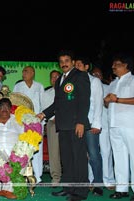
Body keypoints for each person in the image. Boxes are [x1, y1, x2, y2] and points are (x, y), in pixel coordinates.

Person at [37, 50, 90, 201]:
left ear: (72, 62)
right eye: (61, 61)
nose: (64, 63)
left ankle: (80, 192)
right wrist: (43, 114)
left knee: (78, 159)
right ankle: (68, 188)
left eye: (67, 60)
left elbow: (84, 100)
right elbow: (57, 103)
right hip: (63, 125)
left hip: (75, 125)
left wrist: (81, 121)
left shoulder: (80, 75)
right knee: (66, 159)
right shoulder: (61, 78)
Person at [104, 53, 134, 201]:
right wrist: (107, 100)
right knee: (119, 157)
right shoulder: (113, 83)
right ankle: (121, 188)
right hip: (114, 124)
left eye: (116, 64)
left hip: (131, 125)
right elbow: (107, 102)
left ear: (126, 65)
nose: (113, 67)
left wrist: (117, 99)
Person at [75, 57, 104, 196]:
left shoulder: (94, 81)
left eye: (79, 65)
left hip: (91, 123)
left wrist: (97, 124)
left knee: (93, 155)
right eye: (75, 65)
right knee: (80, 156)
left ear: (87, 66)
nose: (76, 67)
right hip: (76, 124)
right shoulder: (74, 81)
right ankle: (84, 183)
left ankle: (98, 184)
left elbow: (98, 103)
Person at [13, 66, 45, 183]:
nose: (23, 73)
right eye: (23, 71)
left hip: (37, 122)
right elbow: (15, 104)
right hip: (22, 123)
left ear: (33, 73)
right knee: (23, 148)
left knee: (37, 149)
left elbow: (43, 105)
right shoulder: (18, 86)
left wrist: (42, 120)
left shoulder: (39, 86)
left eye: (26, 71)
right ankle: (23, 174)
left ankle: (38, 175)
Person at [91, 66, 116, 190]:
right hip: (91, 125)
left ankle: (109, 180)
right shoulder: (88, 88)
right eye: (94, 74)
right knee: (92, 154)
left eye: (99, 75)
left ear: (102, 77)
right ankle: (92, 179)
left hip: (105, 125)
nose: (97, 77)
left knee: (106, 152)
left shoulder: (108, 89)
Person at [41, 70, 62, 185]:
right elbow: (45, 109)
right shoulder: (46, 93)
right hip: (52, 124)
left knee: (67, 152)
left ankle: (70, 178)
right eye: (52, 77)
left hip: (67, 124)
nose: (54, 79)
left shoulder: (67, 90)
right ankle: (56, 177)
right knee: (53, 153)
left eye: (57, 76)